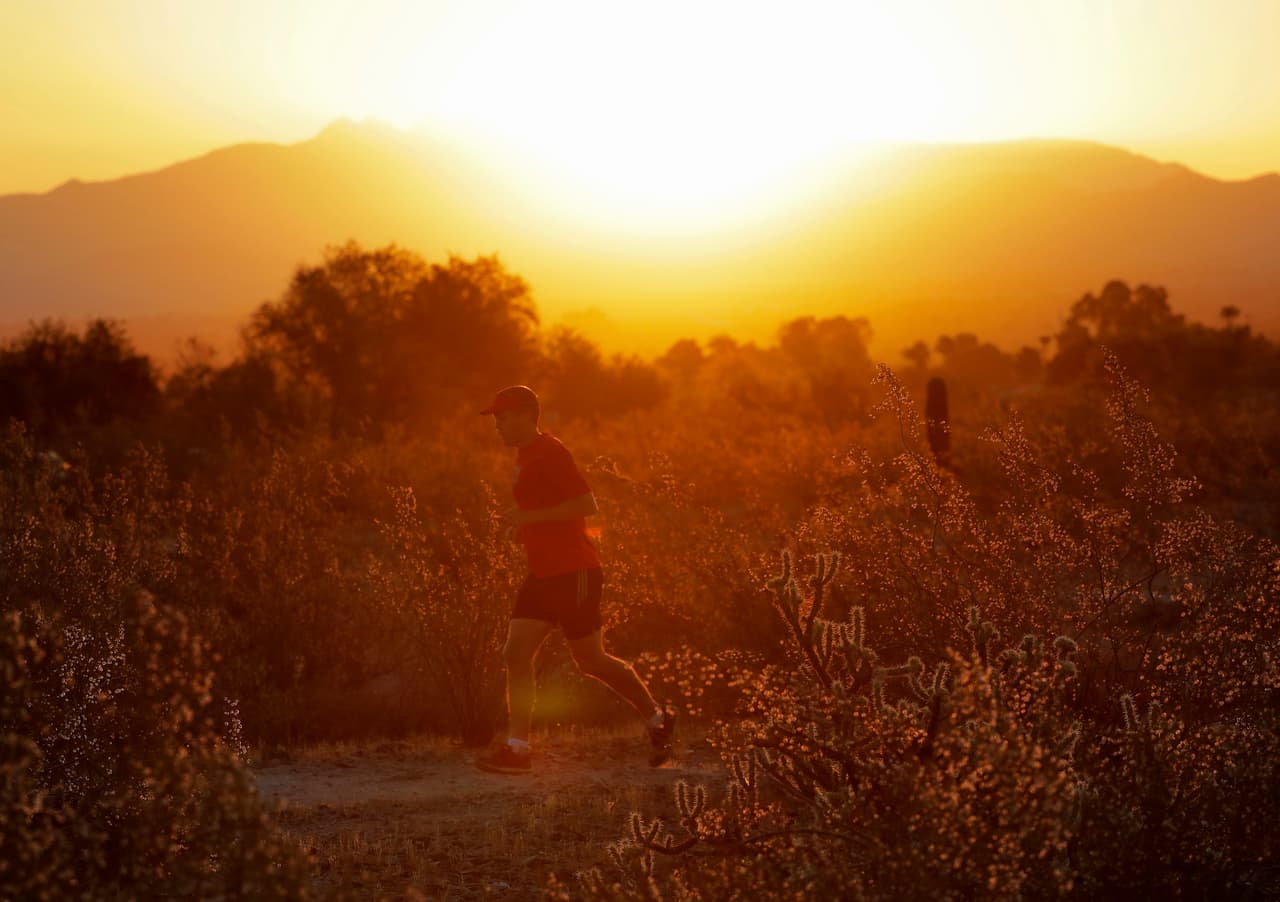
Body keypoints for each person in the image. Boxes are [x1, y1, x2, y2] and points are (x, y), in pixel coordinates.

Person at [474, 384, 676, 774]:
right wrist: (524, 528)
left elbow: (587, 505)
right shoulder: (524, 455)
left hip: (575, 574)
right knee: (515, 653)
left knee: (591, 661)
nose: (496, 424)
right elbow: (545, 507)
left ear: (525, 415)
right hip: (543, 574)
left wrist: (528, 519)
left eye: (502, 416)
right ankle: (518, 750)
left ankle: (657, 718)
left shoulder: (552, 452)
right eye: (495, 417)